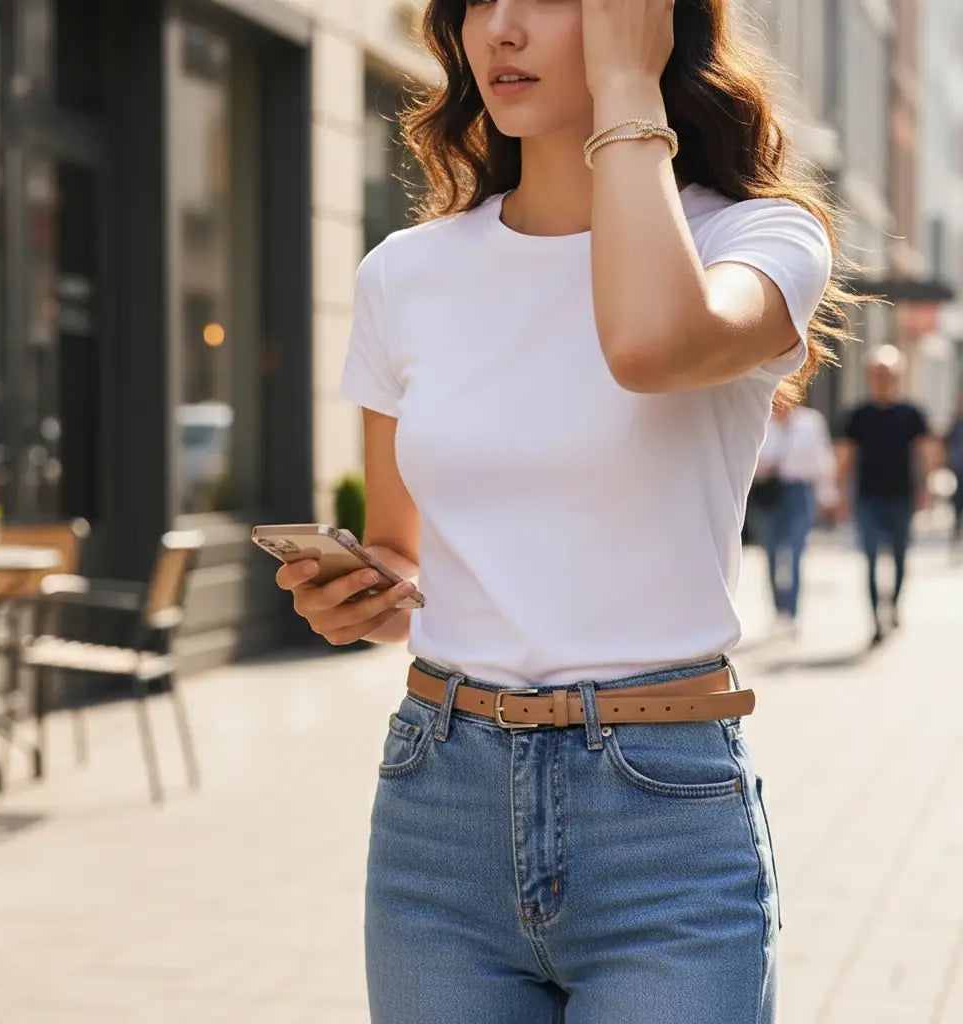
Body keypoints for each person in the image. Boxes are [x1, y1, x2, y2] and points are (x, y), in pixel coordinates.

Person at [275, 2, 847, 1021]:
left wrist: (629, 91)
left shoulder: (756, 238)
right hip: (438, 808)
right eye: (476, 2)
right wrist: (361, 594)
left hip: (661, 817)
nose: (497, 29)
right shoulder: (404, 274)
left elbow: (650, 344)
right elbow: (408, 561)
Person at [836, 346, 939, 644]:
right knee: (869, 559)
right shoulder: (857, 415)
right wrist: (840, 498)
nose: (882, 379)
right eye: (877, 373)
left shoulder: (912, 414)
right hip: (867, 497)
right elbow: (845, 458)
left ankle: (893, 604)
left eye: (888, 373)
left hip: (901, 497)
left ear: (898, 376)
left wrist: (927, 490)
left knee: (899, 557)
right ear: (869, 376)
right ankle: (875, 620)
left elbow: (926, 454)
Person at [753, 398, 838, 632]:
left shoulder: (811, 422)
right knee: (771, 552)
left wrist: (828, 497)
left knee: (795, 552)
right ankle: (778, 608)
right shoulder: (761, 420)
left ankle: (792, 610)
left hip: (801, 492)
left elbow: (823, 459)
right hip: (770, 493)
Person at [948, 392, 963, 547]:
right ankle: (957, 527)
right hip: (959, 469)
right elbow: (948, 445)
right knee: (958, 500)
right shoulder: (956, 424)